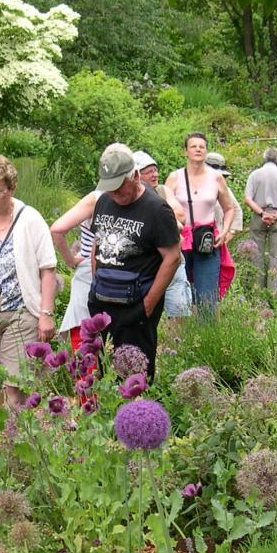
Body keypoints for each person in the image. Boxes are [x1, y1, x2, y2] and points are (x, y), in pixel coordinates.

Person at [0, 155, 57, 407]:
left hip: (20, 312)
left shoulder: (30, 219)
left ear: (11, 188)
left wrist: (46, 313)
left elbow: (47, 269)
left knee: (14, 387)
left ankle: (14, 441)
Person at [87, 144, 181, 379]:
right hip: (102, 303)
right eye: (109, 189)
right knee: (104, 372)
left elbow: (172, 258)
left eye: (119, 188)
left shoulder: (157, 209)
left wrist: (148, 305)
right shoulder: (104, 202)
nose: (114, 194)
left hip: (136, 307)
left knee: (134, 378)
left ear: (135, 176)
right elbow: (97, 244)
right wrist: (94, 283)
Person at [166, 132, 234, 310]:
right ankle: (181, 336)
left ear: (206, 151)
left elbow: (229, 208)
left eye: (201, 146)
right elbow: (162, 209)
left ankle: (207, 335)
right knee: (179, 294)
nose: (198, 149)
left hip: (206, 240)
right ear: (186, 152)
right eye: (193, 146)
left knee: (207, 296)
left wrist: (225, 230)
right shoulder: (174, 177)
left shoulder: (216, 177)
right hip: (180, 240)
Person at [131, 150, 192, 318]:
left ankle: (177, 343)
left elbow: (181, 217)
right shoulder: (129, 197)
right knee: (144, 311)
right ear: (136, 175)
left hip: (172, 260)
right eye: (148, 171)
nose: (154, 174)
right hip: (145, 263)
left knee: (178, 308)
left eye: (155, 170)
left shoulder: (163, 191)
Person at [51, 189, 100, 351]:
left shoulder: (96, 197)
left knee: (86, 332)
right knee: (87, 333)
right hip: (94, 275)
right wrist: (71, 261)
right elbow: (57, 230)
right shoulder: (96, 198)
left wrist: (71, 261)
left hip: (92, 274)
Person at [244, 146, 277, 291]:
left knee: (256, 254)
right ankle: (274, 292)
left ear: (264, 158)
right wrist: (275, 216)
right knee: (276, 255)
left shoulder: (254, 174)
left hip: (258, 216)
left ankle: (257, 290)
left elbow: (248, 199)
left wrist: (262, 214)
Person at [206, 151, 242, 298]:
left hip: (217, 242)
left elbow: (236, 210)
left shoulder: (224, 190)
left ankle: (210, 313)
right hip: (196, 242)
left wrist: (230, 232)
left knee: (218, 279)